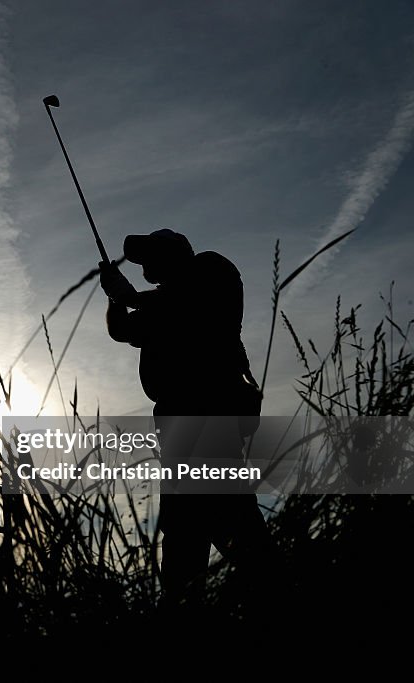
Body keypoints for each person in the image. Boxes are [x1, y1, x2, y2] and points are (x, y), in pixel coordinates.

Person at [98, 228, 272, 612]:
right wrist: (115, 297)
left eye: (151, 257)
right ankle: (188, 607)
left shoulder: (210, 270)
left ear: (174, 254)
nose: (145, 265)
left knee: (220, 517)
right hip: (178, 425)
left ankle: (266, 593)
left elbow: (184, 306)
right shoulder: (160, 303)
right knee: (190, 525)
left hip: (208, 413)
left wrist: (127, 295)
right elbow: (122, 330)